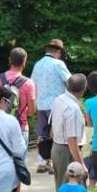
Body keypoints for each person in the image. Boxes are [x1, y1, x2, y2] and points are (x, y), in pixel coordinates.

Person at [31, 39, 71, 173]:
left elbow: (33, 84)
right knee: (56, 134)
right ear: (58, 51)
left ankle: (41, 162)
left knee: (42, 134)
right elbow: (70, 81)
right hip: (56, 104)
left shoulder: (37, 64)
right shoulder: (58, 64)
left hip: (41, 104)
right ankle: (54, 164)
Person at [0, 48, 36, 147]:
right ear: (24, 62)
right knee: (19, 162)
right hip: (20, 127)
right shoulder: (28, 83)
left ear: (10, 60)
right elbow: (31, 111)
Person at [50, 74, 87, 190]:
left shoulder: (59, 99)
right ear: (83, 89)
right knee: (68, 189)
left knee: (61, 187)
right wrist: (81, 164)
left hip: (57, 147)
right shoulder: (73, 109)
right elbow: (71, 139)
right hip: (66, 151)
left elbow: (51, 126)